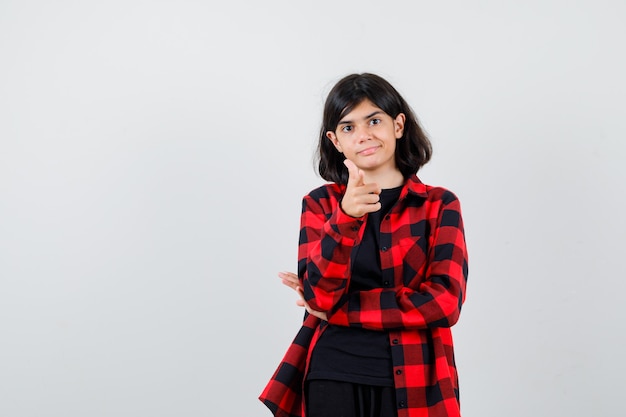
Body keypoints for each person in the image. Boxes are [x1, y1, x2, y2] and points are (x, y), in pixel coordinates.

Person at [259, 73, 469, 417]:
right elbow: (320, 295)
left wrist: (341, 311)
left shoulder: (439, 205)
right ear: (335, 141)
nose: (364, 135)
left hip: (417, 380)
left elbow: (444, 303)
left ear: (398, 125)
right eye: (348, 127)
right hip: (332, 374)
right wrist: (345, 217)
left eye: (374, 120)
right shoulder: (321, 205)